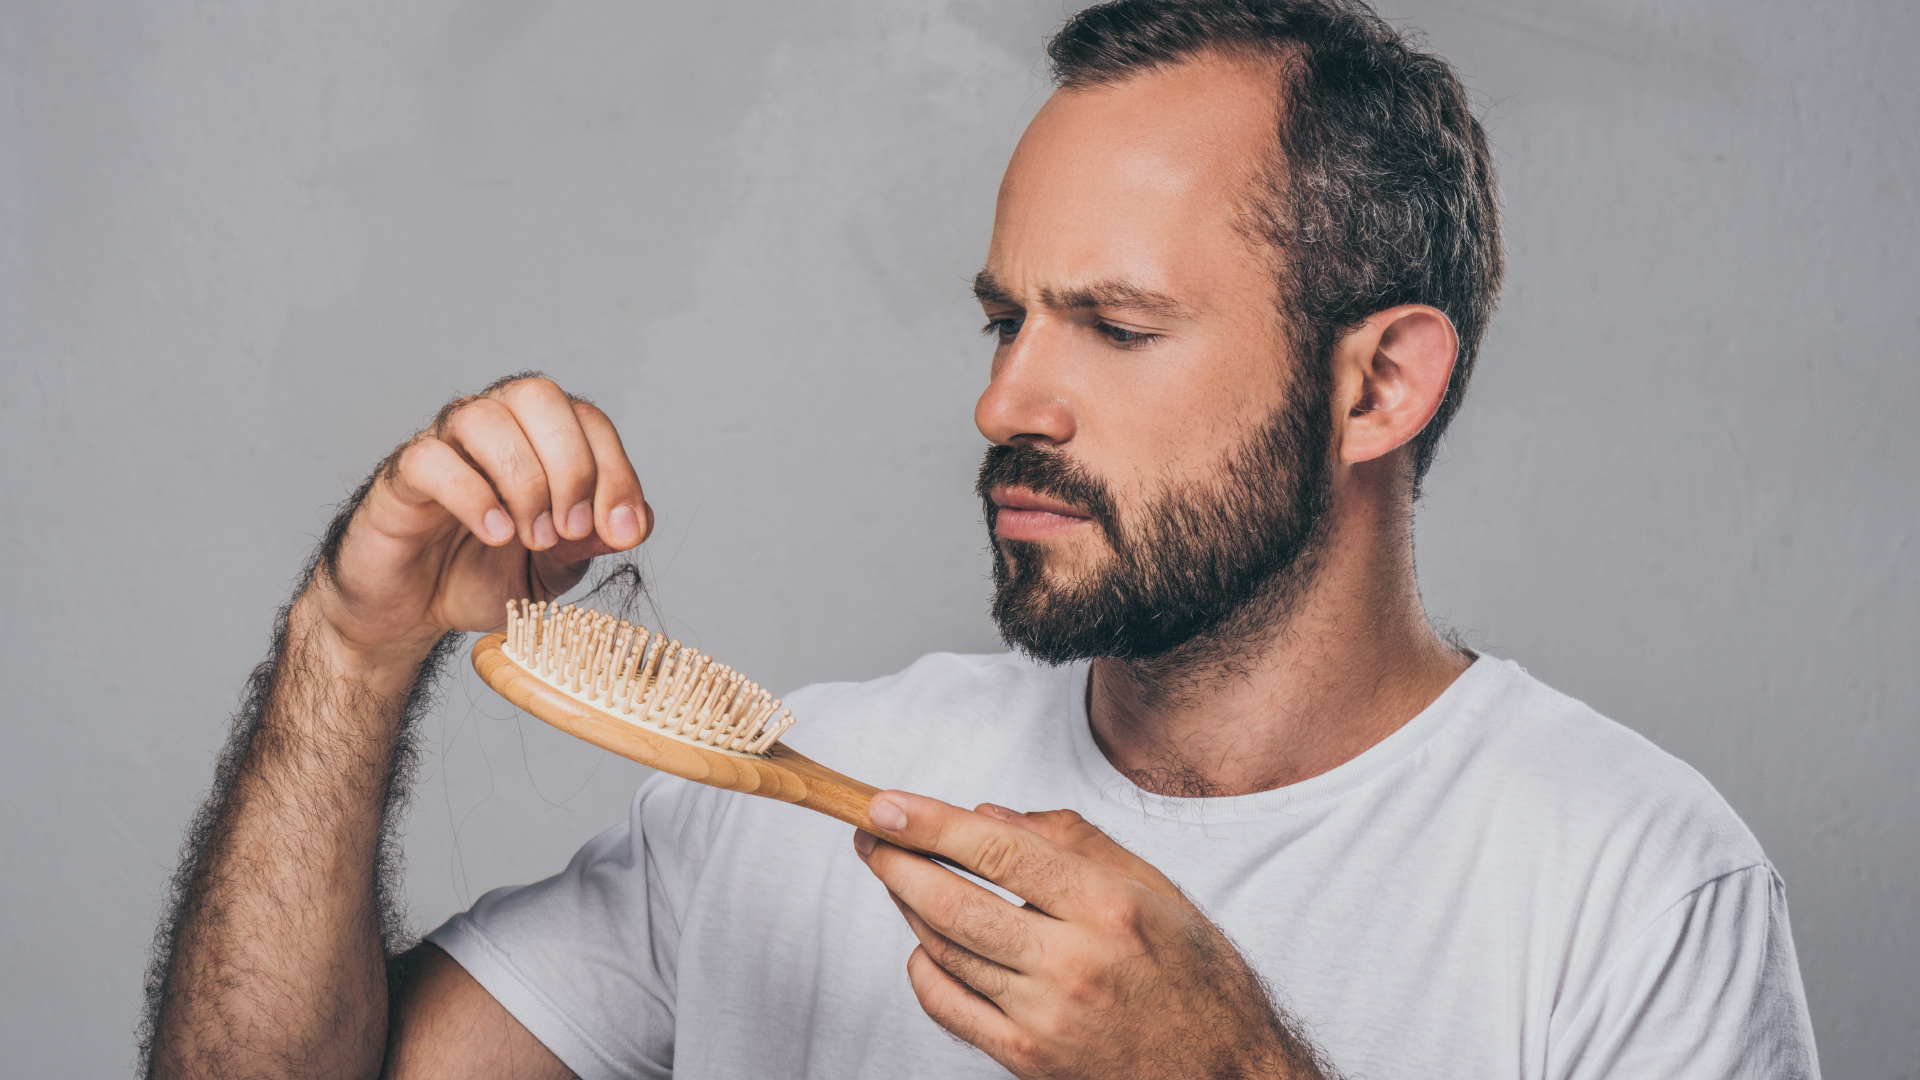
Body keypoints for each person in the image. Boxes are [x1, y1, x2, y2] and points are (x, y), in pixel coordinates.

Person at [142, 1, 1820, 1078]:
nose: (1007, 398)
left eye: (1114, 324)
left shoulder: (1634, 893)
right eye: (1005, 318)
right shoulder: (793, 794)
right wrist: (348, 653)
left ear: (1378, 384)